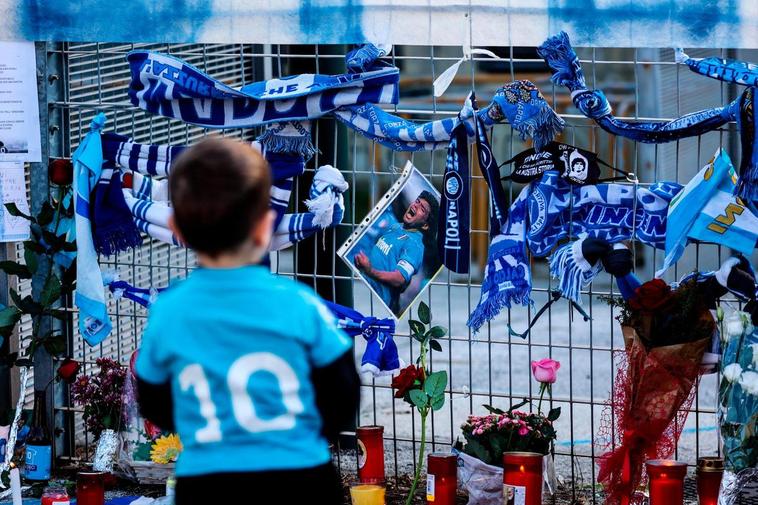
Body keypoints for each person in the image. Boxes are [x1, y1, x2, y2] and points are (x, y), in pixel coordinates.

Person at [134, 138, 360, 504]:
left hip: (207, 481)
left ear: (178, 228)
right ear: (264, 226)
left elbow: (155, 400)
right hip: (302, 477)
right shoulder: (299, 303)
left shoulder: (170, 311)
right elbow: (343, 389)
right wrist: (312, 433)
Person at [354, 190, 439, 313]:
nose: (416, 205)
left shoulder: (415, 245)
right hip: (362, 288)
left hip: (378, 302)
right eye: (417, 201)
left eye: (422, 209)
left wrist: (370, 271)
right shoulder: (396, 226)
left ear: (425, 225)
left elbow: (399, 279)